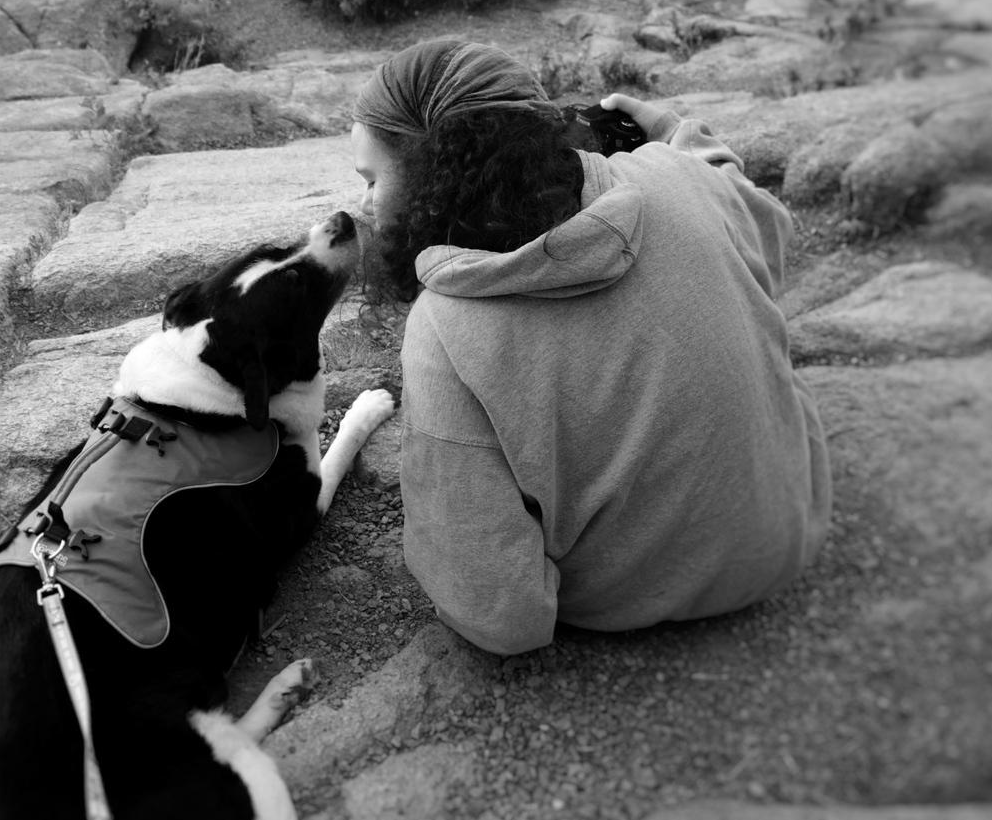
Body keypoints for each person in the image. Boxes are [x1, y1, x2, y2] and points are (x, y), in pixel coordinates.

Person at [350, 38, 831, 656]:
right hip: (790, 533)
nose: (364, 204)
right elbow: (769, 227)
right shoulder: (679, 176)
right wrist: (681, 132)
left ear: (425, 173)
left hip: (619, 603)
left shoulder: (446, 325)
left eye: (371, 179)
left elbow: (498, 614)